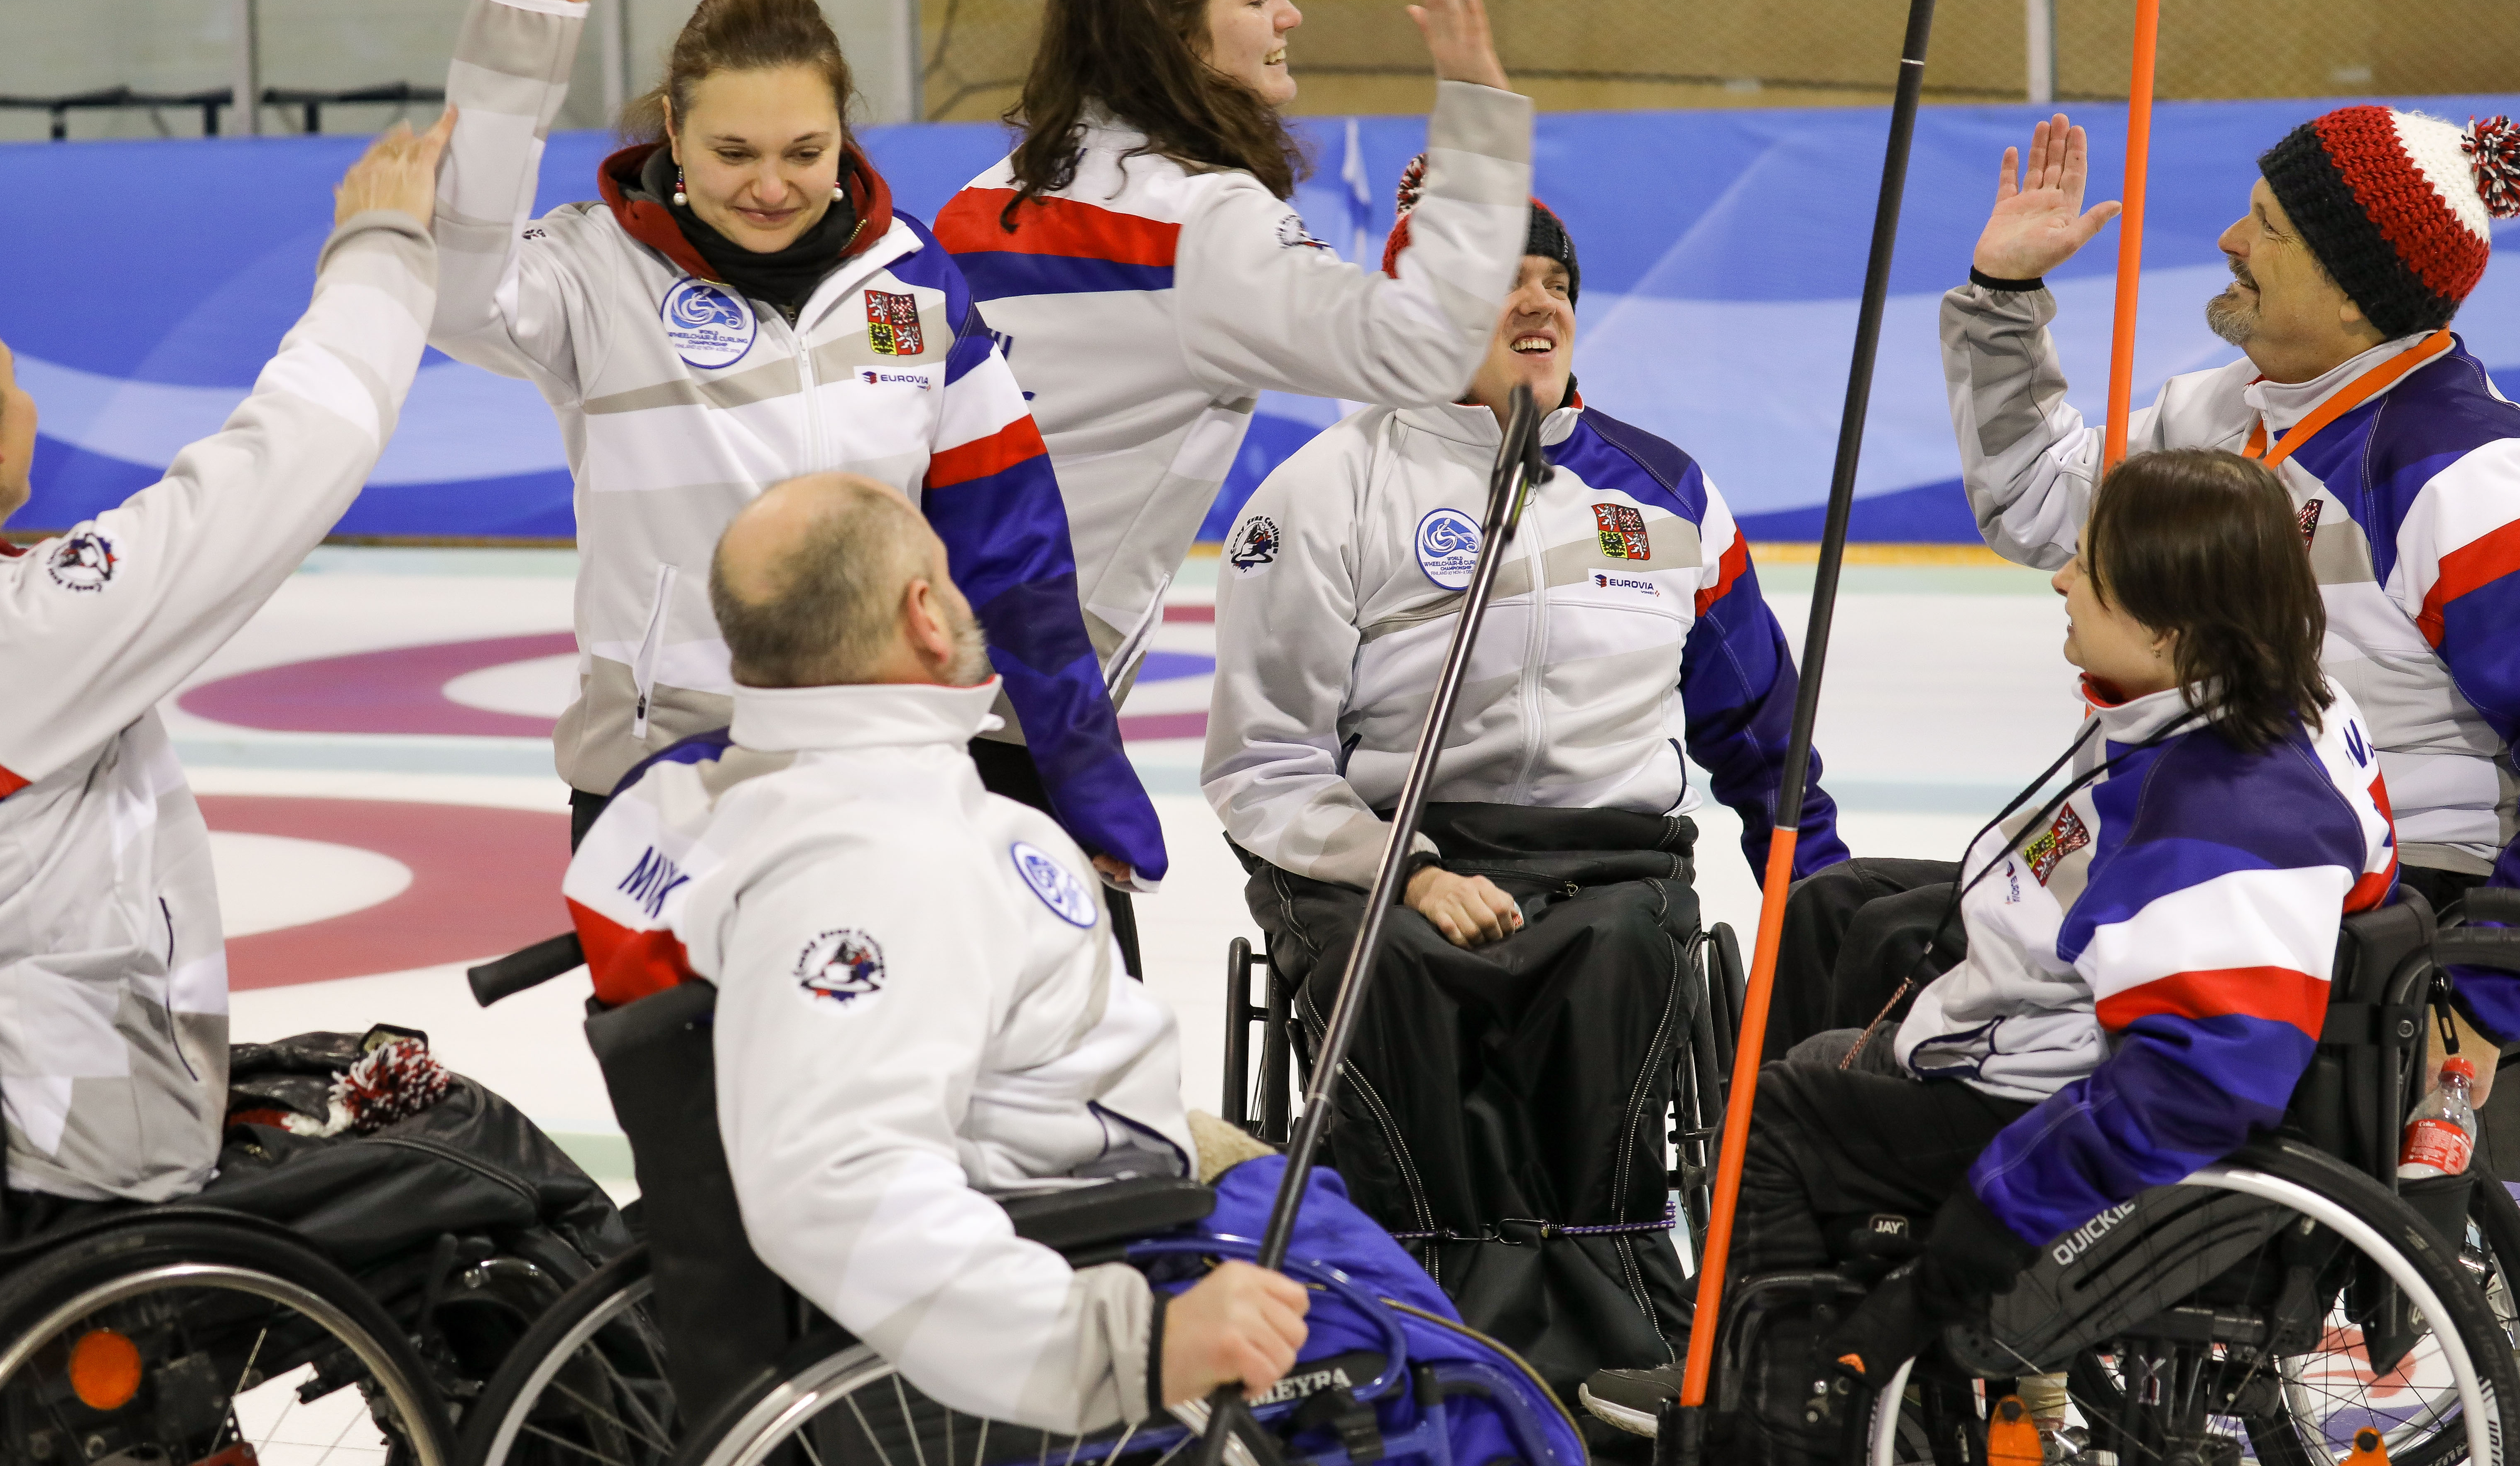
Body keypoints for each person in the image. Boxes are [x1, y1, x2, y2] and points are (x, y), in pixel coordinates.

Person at [560, 473, 1581, 1457]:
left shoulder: (720, 800)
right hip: (1111, 1243)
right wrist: (1123, 1342)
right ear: (925, 613)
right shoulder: (883, 856)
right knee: (1486, 1412)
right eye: (952, 577)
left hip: (1110, 1174)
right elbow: (837, 1184)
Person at [1581, 449, 2400, 1440]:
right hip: (2071, 1002)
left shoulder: (2219, 814)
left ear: (2174, 628)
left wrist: (1983, 1226)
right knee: (1847, 909)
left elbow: (2195, 1084)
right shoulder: (2274, 701)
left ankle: (1787, 1416)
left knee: (1779, 1110)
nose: (2061, 578)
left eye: (2089, 570)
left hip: (2059, 1110)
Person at [1199, 179, 1846, 1395]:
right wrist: (1415, 872)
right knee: (1395, 967)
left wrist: (1826, 905)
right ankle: (1411, 1303)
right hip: (1387, 849)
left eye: (1557, 281)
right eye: (1504, 276)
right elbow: (1264, 760)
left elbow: (1761, 738)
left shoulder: (1666, 493)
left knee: (1619, 954)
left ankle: (1611, 1315)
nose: (1539, 299)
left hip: (1609, 858)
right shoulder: (1329, 489)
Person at [424, 0, 1164, 909]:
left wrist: (1083, 778)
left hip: (887, 776)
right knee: (691, 1075)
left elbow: (1013, 545)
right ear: (674, 131)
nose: (770, 186)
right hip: (664, 787)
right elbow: (458, 300)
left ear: (843, 133)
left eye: (804, 153)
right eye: (734, 152)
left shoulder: (912, 279)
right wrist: (509, 73)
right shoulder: (593, 275)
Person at [1925, 106, 2520, 1096]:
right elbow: (2039, 501)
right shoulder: (2221, 414)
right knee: (1873, 923)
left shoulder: (2467, 477)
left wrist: (2484, 997)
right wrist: (2005, 297)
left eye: (2268, 225)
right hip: (2206, 846)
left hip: (2371, 898)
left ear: (2353, 293)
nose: (2231, 241)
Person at [0, 118, 457, 1202]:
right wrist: (381, 245)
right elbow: (282, 462)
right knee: (463, 1176)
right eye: (14, 379)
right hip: (58, 1160)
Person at [933, 0, 1532, 710]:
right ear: (1173, 35)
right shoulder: (1202, 225)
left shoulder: (978, 200)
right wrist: (1482, 130)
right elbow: (1424, 349)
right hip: (1021, 708)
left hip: (903, 659)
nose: (1288, 15)